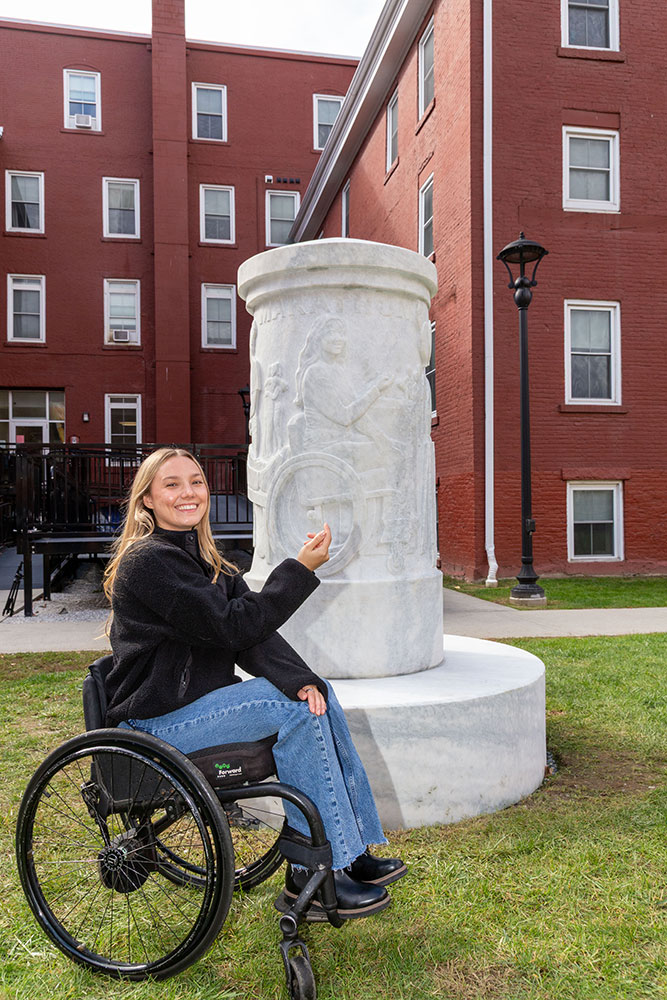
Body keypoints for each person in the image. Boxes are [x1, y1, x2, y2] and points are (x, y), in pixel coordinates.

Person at [103, 446, 406, 919]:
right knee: (294, 709)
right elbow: (233, 627)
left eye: (196, 481)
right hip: (155, 726)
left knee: (315, 696)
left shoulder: (206, 563)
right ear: (146, 500)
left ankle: (351, 849)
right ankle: (311, 871)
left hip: (195, 711)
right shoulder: (149, 562)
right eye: (172, 484)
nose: (189, 492)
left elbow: (253, 639)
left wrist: (301, 680)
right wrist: (300, 569)